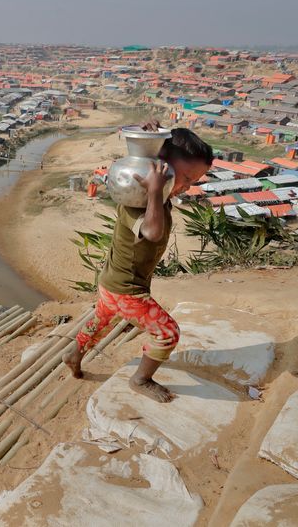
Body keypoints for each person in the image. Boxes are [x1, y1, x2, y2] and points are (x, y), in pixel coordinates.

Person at [62, 124, 214, 403]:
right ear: (156, 171)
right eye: (186, 178)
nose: (186, 187)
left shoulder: (157, 195)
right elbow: (152, 232)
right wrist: (155, 191)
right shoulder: (137, 202)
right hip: (126, 289)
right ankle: (140, 379)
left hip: (111, 283)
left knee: (101, 321)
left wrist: (151, 140)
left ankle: (74, 354)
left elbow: (145, 153)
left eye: (193, 182)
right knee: (167, 333)